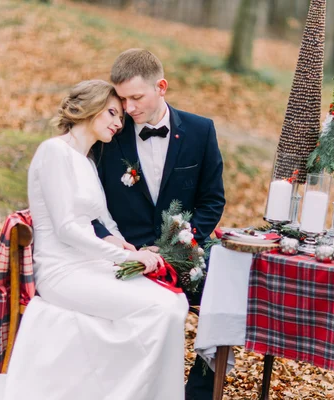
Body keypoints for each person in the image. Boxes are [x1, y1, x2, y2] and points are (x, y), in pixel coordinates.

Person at [0, 80, 189, 400]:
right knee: (160, 307)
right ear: (89, 106)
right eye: (112, 113)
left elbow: (104, 220)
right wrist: (122, 259)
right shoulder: (53, 152)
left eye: (120, 117)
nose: (119, 124)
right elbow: (66, 229)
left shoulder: (87, 160)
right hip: (62, 272)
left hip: (91, 264)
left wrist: (129, 246)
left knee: (175, 302)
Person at [91, 49, 226, 400]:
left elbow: (213, 201)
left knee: (227, 287)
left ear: (161, 87)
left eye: (136, 97)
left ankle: (200, 388)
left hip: (184, 249)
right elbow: (94, 205)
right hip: (127, 252)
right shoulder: (109, 137)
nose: (128, 108)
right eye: (122, 99)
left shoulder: (200, 131)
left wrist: (179, 246)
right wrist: (126, 248)